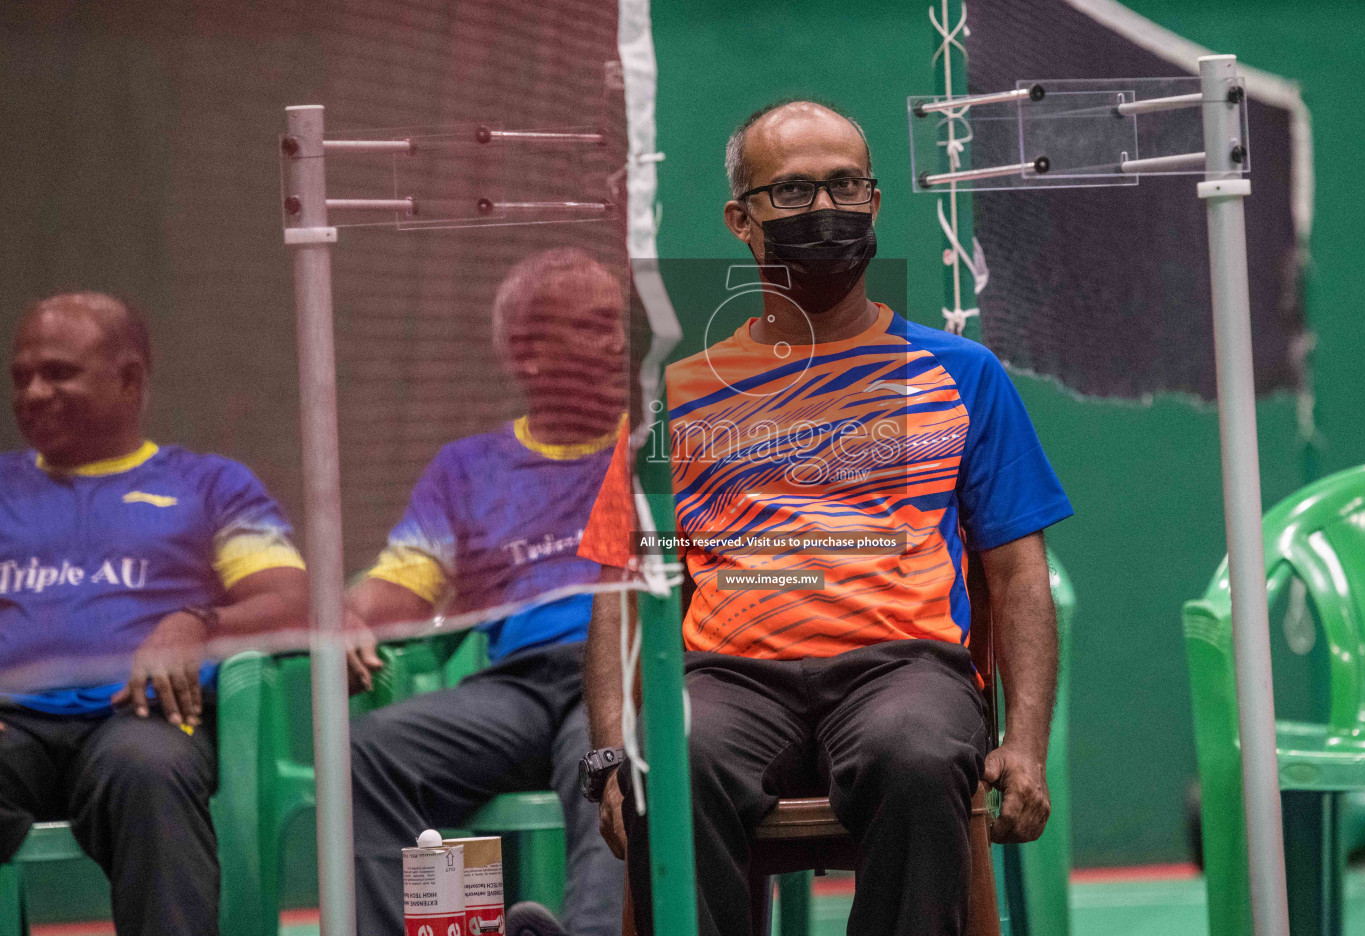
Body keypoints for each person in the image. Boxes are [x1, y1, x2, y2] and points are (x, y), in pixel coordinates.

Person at [579, 101, 1074, 936]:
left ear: (875, 203)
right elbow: (619, 589)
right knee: (678, 757)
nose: (825, 209)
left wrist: (1025, 743)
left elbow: (1019, 575)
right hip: (729, 678)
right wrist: (606, 757)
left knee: (916, 755)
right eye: (794, 191)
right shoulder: (676, 395)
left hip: (905, 670)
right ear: (741, 220)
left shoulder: (963, 374)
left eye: (845, 184)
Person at [0, 292, 309, 936]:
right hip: (12, 723)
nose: (32, 393)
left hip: (141, 721)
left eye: (58, 372)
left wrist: (197, 623)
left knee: (151, 774)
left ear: (130, 377)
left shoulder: (210, 485)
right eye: (21, 376)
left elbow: (291, 600)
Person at [346, 248, 630, 936]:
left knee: (614, 757)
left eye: (621, 324)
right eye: (596, 327)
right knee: (370, 752)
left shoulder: (655, 444)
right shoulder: (466, 469)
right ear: (528, 355)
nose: (621, 343)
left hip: (624, 676)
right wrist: (349, 618)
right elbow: (401, 591)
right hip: (515, 691)